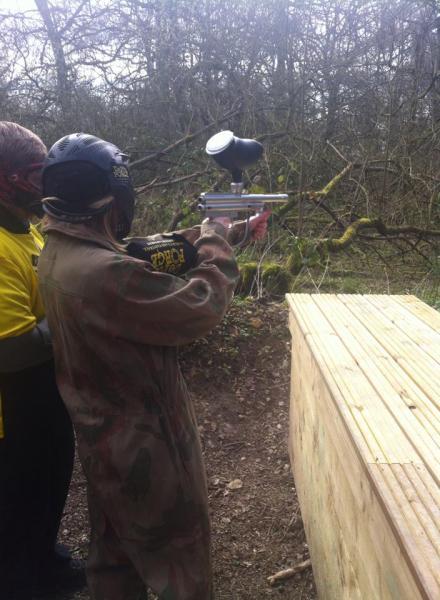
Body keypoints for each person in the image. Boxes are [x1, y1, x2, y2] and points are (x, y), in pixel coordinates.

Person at [38, 132, 269, 600]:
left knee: (115, 556)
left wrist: (223, 232)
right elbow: (200, 305)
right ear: (114, 198)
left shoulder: (61, 250)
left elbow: (141, 252)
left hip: (103, 438)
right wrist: (217, 247)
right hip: (148, 447)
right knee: (180, 564)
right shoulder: (103, 273)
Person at [0, 121, 84, 599]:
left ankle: (43, 557)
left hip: (42, 393)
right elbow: (11, 349)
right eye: (35, 174)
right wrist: (79, 313)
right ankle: (18, 579)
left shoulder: (25, 231)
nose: (44, 186)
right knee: (18, 497)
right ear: (5, 179)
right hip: (10, 409)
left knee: (51, 480)